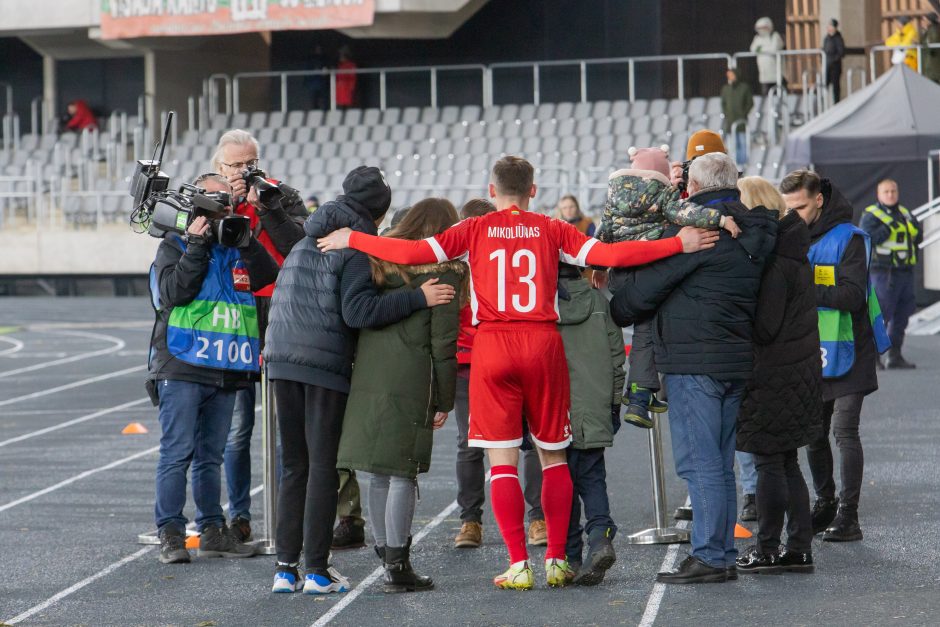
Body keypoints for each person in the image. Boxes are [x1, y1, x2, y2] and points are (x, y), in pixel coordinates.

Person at [317, 155, 718, 590]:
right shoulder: (551, 228)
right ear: (533, 190)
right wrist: (679, 243)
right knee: (553, 454)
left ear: (491, 192)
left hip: (494, 345)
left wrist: (354, 239)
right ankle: (557, 560)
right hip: (542, 343)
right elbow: (609, 254)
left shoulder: (474, 229)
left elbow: (413, 251)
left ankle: (516, 564)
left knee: (502, 459)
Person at [263, 166, 456, 595]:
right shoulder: (353, 247)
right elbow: (358, 312)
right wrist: (417, 297)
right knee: (321, 468)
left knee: (293, 466)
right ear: (379, 210)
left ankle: (283, 569)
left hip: (280, 357)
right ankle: (315, 570)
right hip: (322, 362)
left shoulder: (309, 236)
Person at [610, 153, 778, 584]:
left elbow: (638, 296)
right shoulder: (754, 229)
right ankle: (718, 551)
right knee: (719, 463)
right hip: (734, 358)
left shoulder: (696, 231)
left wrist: (621, 295)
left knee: (700, 464)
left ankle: (710, 554)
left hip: (692, 360)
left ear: (696, 189)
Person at [147, 173, 279, 564]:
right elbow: (173, 294)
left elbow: (268, 277)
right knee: (177, 452)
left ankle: (212, 528)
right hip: (183, 364)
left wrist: (248, 241)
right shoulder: (174, 244)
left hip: (224, 365)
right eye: (215, 200)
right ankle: (171, 532)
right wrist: (196, 246)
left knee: (211, 455)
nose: (223, 207)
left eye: (228, 201)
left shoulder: (237, 245)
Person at [337, 198, 465, 593]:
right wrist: (444, 400)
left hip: (368, 377)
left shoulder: (376, 262)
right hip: (411, 381)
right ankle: (398, 561)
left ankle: (383, 549)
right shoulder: (445, 275)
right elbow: (443, 345)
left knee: (375, 471)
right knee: (402, 473)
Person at [596, 145, 740, 430]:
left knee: (643, 329)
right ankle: (638, 394)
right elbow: (687, 214)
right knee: (646, 329)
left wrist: (599, 267)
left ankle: (640, 392)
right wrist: (721, 219)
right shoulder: (662, 193)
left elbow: (603, 232)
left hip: (619, 273)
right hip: (647, 269)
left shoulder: (614, 196)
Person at [780, 170, 889, 544]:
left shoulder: (851, 239)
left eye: (800, 206)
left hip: (851, 348)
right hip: (811, 350)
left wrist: (801, 291)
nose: (793, 214)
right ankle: (825, 502)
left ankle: (849, 514)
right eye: (788, 208)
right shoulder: (792, 236)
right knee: (813, 434)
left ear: (819, 200)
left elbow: (852, 297)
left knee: (844, 431)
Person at [212, 129, 307, 543]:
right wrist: (229, 204)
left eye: (251, 162)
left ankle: (290, 515)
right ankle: (240, 515)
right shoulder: (211, 196)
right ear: (220, 167)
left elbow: (299, 247)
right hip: (233, 314)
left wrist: (266, 207)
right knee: (238, 425)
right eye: (236, 164)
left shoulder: (281, 194)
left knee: (288, 425)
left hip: (280, 311)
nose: (245, 171)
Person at [734, 176, 822, 575]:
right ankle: (799, 547)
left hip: (772, 374)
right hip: (797, 372)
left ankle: (768, 547)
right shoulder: (795, 251)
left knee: (770, 462)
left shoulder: (774, 263)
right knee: (788, 463)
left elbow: (766, 327)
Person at [452, 198, 546, 551]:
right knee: (471, 443)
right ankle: (471, 520)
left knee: (530, 441)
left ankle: (536, 516)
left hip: (508, 356)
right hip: (469, 364)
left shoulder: (508, 257)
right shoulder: (455, 266)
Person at [556, 262, 625, 586]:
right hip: (595, 405)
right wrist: (613, 404)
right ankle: (599, 535)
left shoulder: (542, 305)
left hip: (555, 409)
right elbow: (616, 359)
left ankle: (570, 557)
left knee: (561, 485)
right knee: (593, 477)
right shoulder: (600, 303)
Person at [859, 179, 921, 369]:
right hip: (883, 274)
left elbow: (918, 237)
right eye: (886, 191)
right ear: (879, 194)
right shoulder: (871, 215)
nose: (890, 194)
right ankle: (873, 357)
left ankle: (895, 355)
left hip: (905, 272)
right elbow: (865, 239)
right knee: (880, 316)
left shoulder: (906, 213)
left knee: (902, 315)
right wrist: (887, 229)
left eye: (893, 190)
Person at [720, 68, 753, 168]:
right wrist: (727, 114)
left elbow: (750, 103)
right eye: (728, 75)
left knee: (743, 144)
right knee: (733, 145)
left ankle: (743, 166)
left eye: (731, 75)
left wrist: (743, 114)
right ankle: (735, 166)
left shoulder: (744, 87)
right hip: (730, 122)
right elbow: (723, 104)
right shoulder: (726, 89)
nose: (730, 77)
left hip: (741, 122)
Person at [750, 17, 786, 96]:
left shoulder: (775, 36)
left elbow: (773, 49)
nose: (761, 30)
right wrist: (765, 49)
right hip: (763, 74)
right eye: (759, 28)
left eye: (763, 28)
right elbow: (753, 49)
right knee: (765, 95)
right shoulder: (757, 38)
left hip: (776, 74)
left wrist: (760, 49)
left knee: (778, 93)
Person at [823, 19, 846, 103]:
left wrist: (833, 60)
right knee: (824, 85)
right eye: (829, 26)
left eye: (831, 26)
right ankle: (823, 104)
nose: (830, 28)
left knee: (835, 87)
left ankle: (836, 104)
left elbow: (841, 52)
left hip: (835, 67)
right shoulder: (826, 38)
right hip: (827, 66)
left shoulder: (838, 38)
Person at [922, 13, 940, 84]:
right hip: (932, 66)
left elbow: (932, 48)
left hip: (933, 67)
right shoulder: (930, 30)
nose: (923, 22)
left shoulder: (933, 31)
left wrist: (922, 45)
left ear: (929, 21)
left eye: (924, 20)